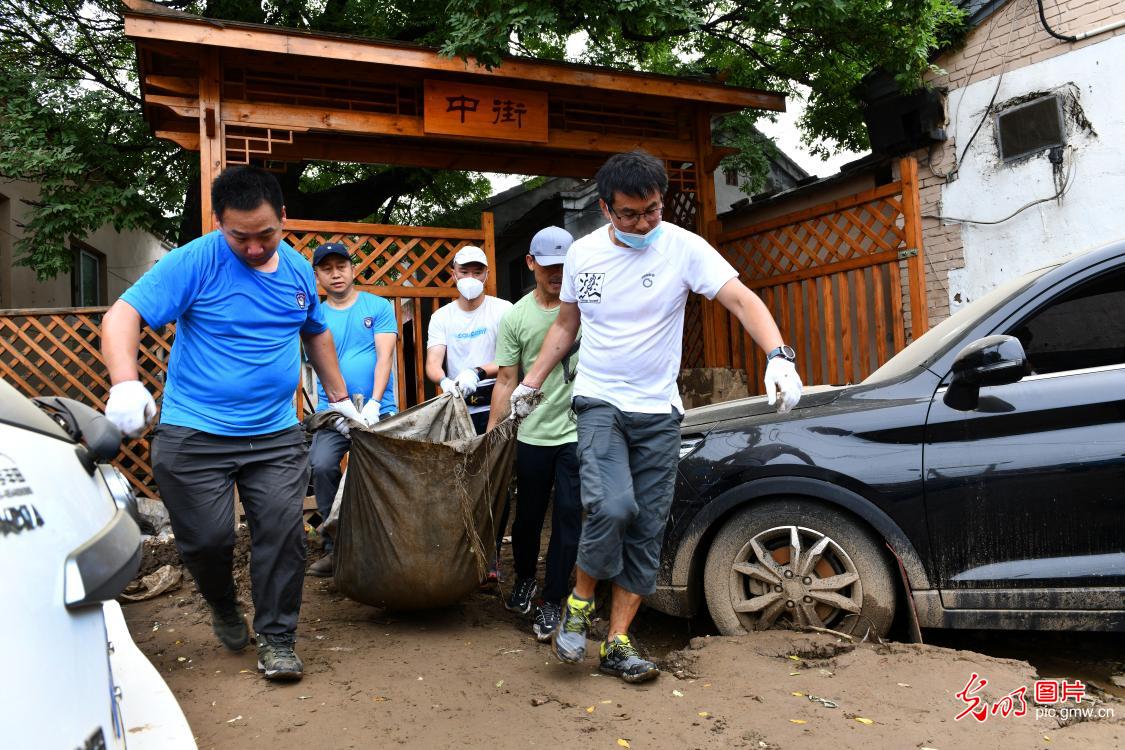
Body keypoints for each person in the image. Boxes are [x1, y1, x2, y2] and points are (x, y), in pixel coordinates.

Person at [510, 150, 803, 684]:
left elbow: (739, 299)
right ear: (605, 209)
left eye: (652, 210)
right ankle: (579, 603)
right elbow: (566, 326)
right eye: (630, 214)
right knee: (613, 507)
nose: (643, 223)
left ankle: (618, 641)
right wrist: (532, 382)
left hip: (659, 410)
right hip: (599, 399)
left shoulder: (684, 248)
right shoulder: (583, 255)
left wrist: (778, 356)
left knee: (646, 527)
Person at [100, 166, 364, 682]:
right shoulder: (195, 261)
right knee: (208, 541)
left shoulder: (294, 272)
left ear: (283, 218)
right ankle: (222, 602)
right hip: (194, 432)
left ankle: (278, 637)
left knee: (284, 533)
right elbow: (122, 315)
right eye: (239, 236)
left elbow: (316, 334)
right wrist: (125, 382)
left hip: (273, 433)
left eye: (265, 233)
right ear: (219, 222)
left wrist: (341, 400)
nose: (253, 247)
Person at [487, 226, 582, 644]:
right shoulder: (516, 316)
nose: (558, 275)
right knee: (527, 517)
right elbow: (506, 380)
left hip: (579, 432)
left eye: (565, 267)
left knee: (568, 517)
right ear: (531, 264)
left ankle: (553, 598)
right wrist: (493, 435)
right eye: (549, 268)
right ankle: (525, 578)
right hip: (532, 434)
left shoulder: (587, 310)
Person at [306, 242, 399, 578]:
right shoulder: (314, 314)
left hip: (379, 409)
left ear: (352, 268)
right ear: (317, 275)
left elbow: (385, 357)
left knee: (388, 470)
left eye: (341, 266)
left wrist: (374, 403)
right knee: (322, 464)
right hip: (332, 411)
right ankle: (336, 547)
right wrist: (340, 411)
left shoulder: (378, 306)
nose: (336, 273)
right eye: (327, 268)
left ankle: (388, 544)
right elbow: (314, 362)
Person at [424, 245, 512, 435]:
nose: (471, 278)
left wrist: (477, 373)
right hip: (459, 407)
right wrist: (444, 381)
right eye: (464, 272)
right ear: (454, 274)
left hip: (497, 403)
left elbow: (512, 358)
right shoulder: (441, 316)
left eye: (477, 272)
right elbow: (432, 363)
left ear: (486, 275)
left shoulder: (504, 310)